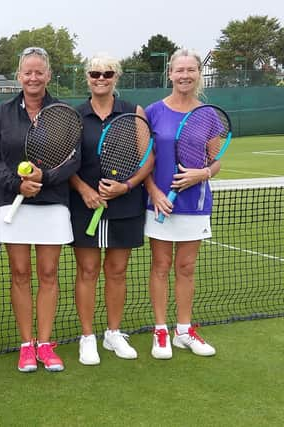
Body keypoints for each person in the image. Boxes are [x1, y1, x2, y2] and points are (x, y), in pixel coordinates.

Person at [0, 47, 81, 372]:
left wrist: (47, 177)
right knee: (20, 274)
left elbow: (74, 159)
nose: (33, 77)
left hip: (51, 203)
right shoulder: (2, 113)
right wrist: (16, 184)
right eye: (28, 72)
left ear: (49, 75)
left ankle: (45, 343)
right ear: (19, 76)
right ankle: (27, 346)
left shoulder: (65, 112)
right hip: (13, 204)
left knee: (49, 274)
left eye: (39, 72)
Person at [69, 54, 154, 365]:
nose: (100, 78)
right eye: (95, 73)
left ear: (116, 77)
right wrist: (83, 189)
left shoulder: (134, 112)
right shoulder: (75, 116)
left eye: (107, 73)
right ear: (87, 77)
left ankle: (113, 333)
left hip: (125, 206)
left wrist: (126, 186)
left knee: (117, 272)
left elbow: (148, 159)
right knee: (87, 271)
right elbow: (66, 161)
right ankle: (88, 337)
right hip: (85, 206)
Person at [144, 48, 218, 359]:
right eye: (179, 70)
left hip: (195, 202)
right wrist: (154, 193)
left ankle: (184, 330)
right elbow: (144, 161)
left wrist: (201, 173)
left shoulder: (210, 115)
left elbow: (215, 162)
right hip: (160, 203)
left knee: (186, 268)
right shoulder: (152, 112)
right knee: (160, 267)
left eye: (191, 69)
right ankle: (160, 330)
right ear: (170, 74)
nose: (185, 75)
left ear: (198, 74)